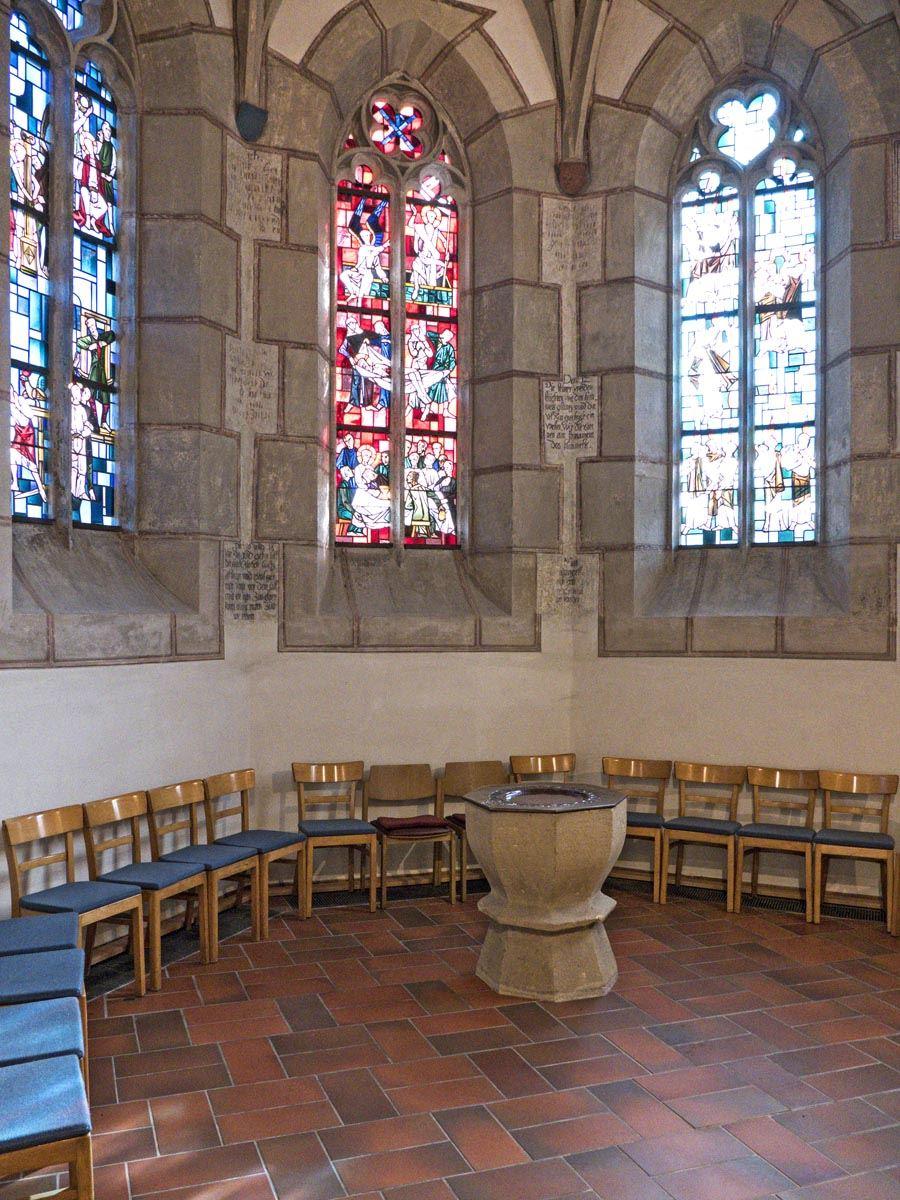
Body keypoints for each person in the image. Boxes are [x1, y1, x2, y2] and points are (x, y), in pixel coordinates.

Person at [10, 378, 48, 506]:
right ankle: (15, 483)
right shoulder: (9, 405)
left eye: (10, 392)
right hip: (18, 433)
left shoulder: (20, 400)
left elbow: (30, 415)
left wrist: (17, 405)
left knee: (31, 463)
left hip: (27, 433)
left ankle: (40, 488)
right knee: (12, 454)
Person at [74, 315, 116, 428]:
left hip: (102, 370)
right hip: (94, 369)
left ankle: (104, 421)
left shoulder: (102, 336)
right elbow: (79, 342)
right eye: (89, 327)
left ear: (96, 325)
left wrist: (104, 343)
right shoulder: (89, 339)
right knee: (91, 394)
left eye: (92, 325)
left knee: (105, 396)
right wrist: (89, 347)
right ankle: (95, 421)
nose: (91, 328)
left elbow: (112, 335)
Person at [409, 205, 448, 300]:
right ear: (426, 217)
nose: (431, 218)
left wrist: (448, 252)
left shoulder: (436, 231)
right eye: (430, 216)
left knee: (431, 278)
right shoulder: (420, 228)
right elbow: (410, 225)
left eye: (433, 217)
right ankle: (416, 287)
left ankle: (430, 293)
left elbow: (445, 241)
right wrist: (414, 214)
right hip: (421, 255)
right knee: (415, 266)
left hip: (431, 258)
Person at [70, 382, 96, 503]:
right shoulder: (68, 408)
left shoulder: (82, 409)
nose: (79, 394)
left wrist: (87, 430)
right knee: (73, 467)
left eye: (79, 392)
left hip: (81, 441)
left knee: (82, 469)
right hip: (71, 440)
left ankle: (80, 491)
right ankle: (72, 490)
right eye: (76, 392)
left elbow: (86, 423)